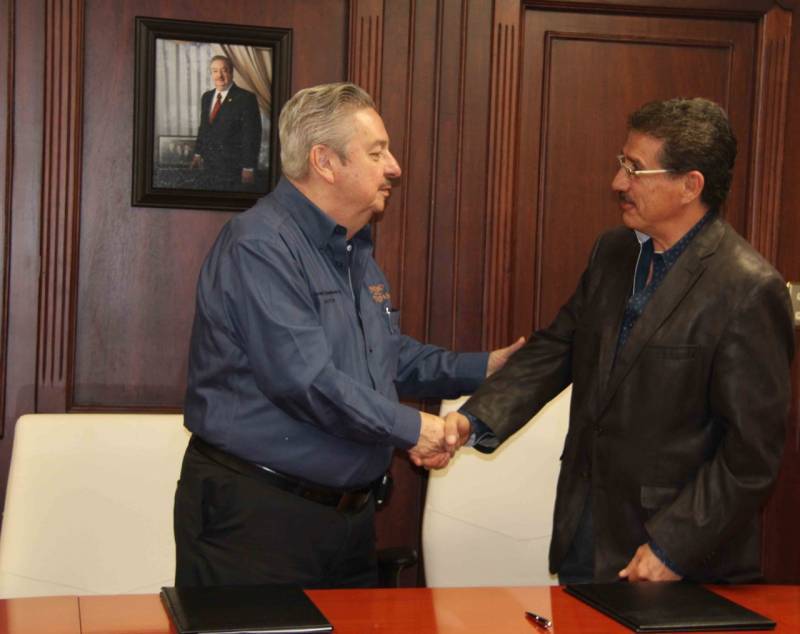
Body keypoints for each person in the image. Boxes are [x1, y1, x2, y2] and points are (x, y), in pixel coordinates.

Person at [174, 82, 524, 589]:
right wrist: (413, 428)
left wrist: (482, 366)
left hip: (348, 523)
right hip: (259, 525)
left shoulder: (352, 249)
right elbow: (305, 381)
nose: (395, 168)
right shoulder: (259, 246)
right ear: (325, 161)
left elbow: (381, 354)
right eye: (377, 152)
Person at [447, 97, 794, 584]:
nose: (618, 183)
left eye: (636, 170)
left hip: (677, 555)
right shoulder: (612, 253)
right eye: (621, 164)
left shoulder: (747, 288)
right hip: (585, 530)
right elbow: (558, 347)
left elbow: (750, 456)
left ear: (690, 185)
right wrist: (470, 421)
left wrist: (673, 547)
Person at [190, 55, 262, 191]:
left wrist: (248, 167)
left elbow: (252, 136)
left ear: (231, 72)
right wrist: (198, 153)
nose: (220, 76)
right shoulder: (206, 97)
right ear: (211, 73)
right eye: (215, 71)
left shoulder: (246, 98)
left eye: (224, 70)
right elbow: (204, 128)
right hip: (208, 165)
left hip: (233, 168)